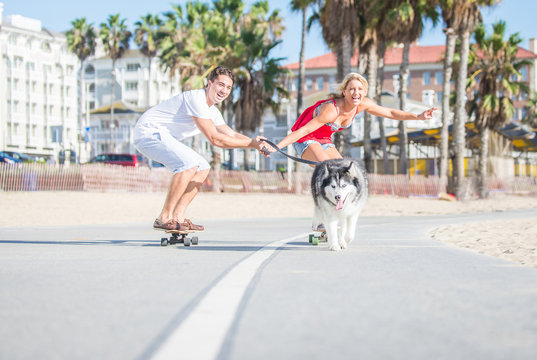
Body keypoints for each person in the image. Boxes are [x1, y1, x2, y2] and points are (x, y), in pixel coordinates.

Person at [134, 66, 268, 232]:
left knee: (203, 167)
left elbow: (230, 134)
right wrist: (250, 144)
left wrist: (256, 143)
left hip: (163, 136)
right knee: (188, 164)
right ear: (209, 83)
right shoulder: (197, 99)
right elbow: (215, 139)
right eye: (220, 85)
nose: (223, 90)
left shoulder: (212, 111)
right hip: (148, 132)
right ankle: (164, 217)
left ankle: (178, 218)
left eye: (228, 87)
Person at [274, 72, 437, 163]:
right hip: (304, 139)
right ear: (344, 92)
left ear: (364, 92)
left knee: (343, 170)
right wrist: (277, 146)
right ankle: (321, 212)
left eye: (359, 89)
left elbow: (391, 113)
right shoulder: (332, 109)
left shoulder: (363, 104)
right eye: (351, 89)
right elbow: (305, 130)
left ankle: (326, 217)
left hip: (324, 141)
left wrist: (418, 116)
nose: (356, 93)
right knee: (328, 167)